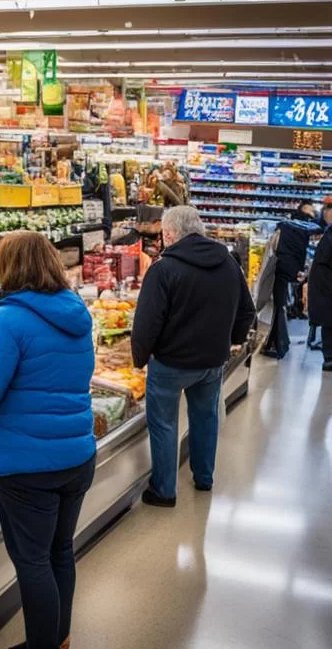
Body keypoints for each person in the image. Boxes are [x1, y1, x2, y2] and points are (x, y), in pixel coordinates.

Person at [0, 232, 96, 649]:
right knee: (59, 552)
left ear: (9, 268)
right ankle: (60, 639)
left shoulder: (6, 319)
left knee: (33, 561)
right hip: (76, 455)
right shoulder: (76, 311)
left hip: (28, 464)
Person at [132, 206, 255, 507]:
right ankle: (204, 478)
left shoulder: (163, 269)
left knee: (164, 424)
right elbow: (247, 310)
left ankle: (164, 490)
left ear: (170, 234)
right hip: (212, 361)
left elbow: (146, 323)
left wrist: (139, 359)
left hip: (170, 364)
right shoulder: (228, 263)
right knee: (205, 418)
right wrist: (232, 341)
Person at [264, 214, 318, 357]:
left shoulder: (285, 248)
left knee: (278, 311)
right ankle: (278, 344)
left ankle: (277, 344)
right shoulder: (294, 250)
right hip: (283, 294)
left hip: (280, 291)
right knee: (279, 312)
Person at [307, 204, 332, 369]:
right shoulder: (330, 235)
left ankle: (329, 356)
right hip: (326, 286)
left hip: (325, 284)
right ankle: (329, 357)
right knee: (329, 322)